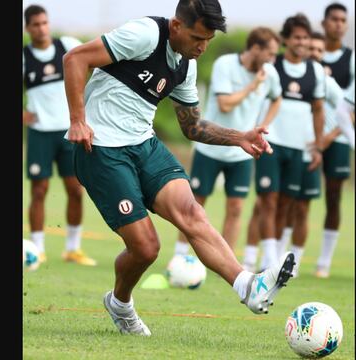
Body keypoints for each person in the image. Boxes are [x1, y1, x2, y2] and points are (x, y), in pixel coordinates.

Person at [62, 0, 295, 336]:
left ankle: (248, 286)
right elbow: (75, 58)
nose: (202, 47)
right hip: (100, 148)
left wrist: (239, 136)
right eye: (198, 38)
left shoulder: (186, 65)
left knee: (192, 213)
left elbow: (192, 127)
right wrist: (78, 121)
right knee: (146, 248)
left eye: (208, 41)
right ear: (176, 26)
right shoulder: (144, 34)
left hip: (143, 144)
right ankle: (120, 303)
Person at [170, 27, 282, 260]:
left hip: (242, 153)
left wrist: (263, 125)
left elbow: (276, 99)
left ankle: (226, 261)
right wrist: (253, 86)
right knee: (194, 205)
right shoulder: (225, 65)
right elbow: (225, 105)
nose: (273, 60)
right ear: (255, 48)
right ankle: (180, 258)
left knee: (236, 208)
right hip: (210, 148)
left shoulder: (270, 73)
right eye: (270, 54)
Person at [243, 13, 326, 274]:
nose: (302, 42)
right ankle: (268, 260)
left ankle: (279, 258)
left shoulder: (315, 71)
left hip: (299, 147)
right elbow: (257, 98)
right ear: (287, 40)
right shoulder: (272, 66)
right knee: (268, 200)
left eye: (305, 37)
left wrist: (318, 147)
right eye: (297, 37)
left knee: (288, 204)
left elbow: (319, 110)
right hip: (271, 143)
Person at [272, 31, 352, 276]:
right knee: (288, 202)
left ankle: (315, 262)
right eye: (313, 49)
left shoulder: (329, 82)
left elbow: (348, 110)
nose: (316, 54)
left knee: (321, 201)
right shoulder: (299, 76)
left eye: (320, 50)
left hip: (330, 144)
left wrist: (326, 138)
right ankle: (279, 258)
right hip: (303, 146)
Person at [22, 5, 96, 266]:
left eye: (44, 23)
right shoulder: (24, 57)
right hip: (39, 134)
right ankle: (37, 248)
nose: (41, 28)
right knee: (39, 190)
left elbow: (94, 64)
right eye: (36, 24)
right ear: (27, 28)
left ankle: (73, 249)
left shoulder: (68, 45)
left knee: (76, 190)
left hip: (70, 131)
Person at [317, 2, 355, 278]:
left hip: (338, 139)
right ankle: (285, 256)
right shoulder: (311, 56)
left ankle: (324, 263)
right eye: (334, 19)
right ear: (324, 23)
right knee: (293, 199)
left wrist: (331, 135)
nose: (339, 24)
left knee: (333, 196)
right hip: (308, 138)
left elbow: (352, 107)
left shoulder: (351, 59)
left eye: (344, 20)